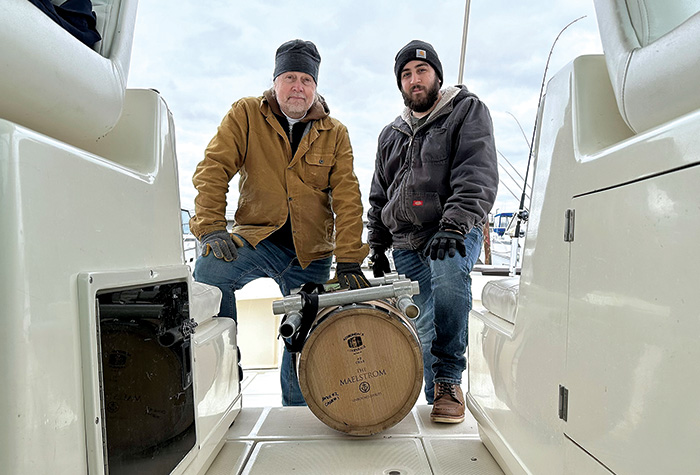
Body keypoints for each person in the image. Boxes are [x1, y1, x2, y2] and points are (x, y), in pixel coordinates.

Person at [190, 39, 370, 406]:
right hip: (259, 239)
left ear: (316, 87)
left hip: (312, 252)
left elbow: (348, 197)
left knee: (302, 330)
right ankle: (225, 376)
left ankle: (297, 407)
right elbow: (213, 169)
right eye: (290, 77)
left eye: (306, 79)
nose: (297, 87)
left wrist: (350, 259)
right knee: (210, 269)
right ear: (275, 81)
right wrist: (210, 226)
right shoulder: (245, 114)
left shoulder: (335, 133)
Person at [367, 40, 498, 423]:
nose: (414, 80)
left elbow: (477, 172)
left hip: (453, 230)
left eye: (421, 71)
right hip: (407, 241)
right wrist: (377, 245)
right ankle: (432, 399)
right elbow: (379, 194)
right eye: (406, 75)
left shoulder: (466, 111)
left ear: (436, 75)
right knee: (422, 324)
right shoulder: (390, 134)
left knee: (449, 273)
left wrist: (455, 225)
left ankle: (448, 379)